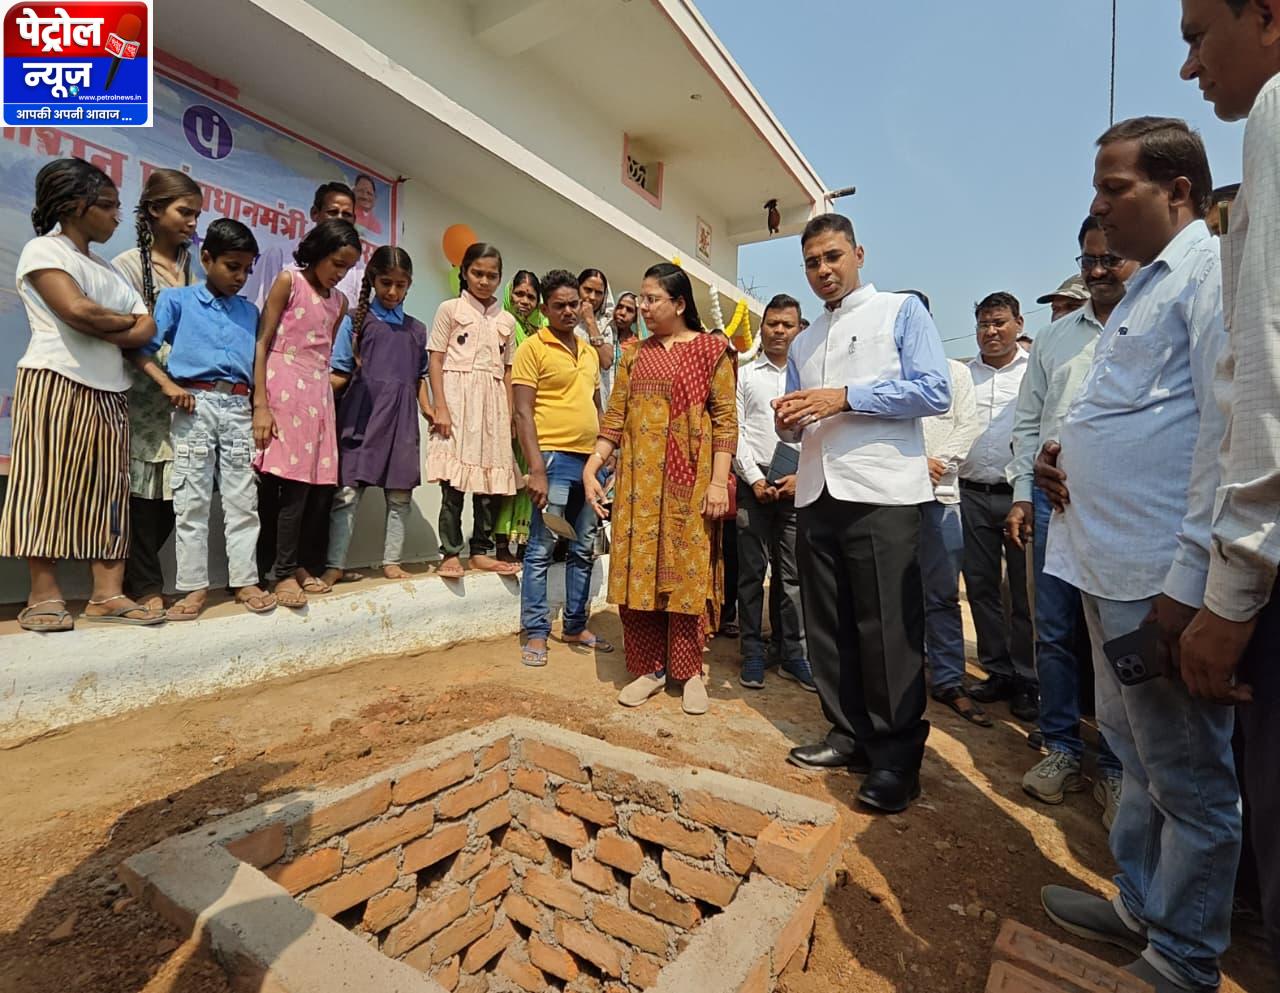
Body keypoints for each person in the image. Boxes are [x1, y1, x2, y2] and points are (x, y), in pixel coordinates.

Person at [1036, 117, 1235, 993]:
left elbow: (1227, 436)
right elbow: (1123, 414)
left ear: (1178, 191)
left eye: (1115, 188)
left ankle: (1185, 958)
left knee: (1188, 776)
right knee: (1129, 747)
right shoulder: (1144, 288)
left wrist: (1190, 582)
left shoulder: (1210, 276)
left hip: (1157, 578)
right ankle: (1139, 903)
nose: (1100, 207)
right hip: (1100, 562)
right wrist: (1060, 456)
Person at [774, 213, 950, 813]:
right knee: (829, 624)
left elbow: (934, 390)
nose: (823, 270)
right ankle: (847, 733)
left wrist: (846, 396)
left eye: (832, 257)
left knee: (887, 629)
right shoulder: (804, 341)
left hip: (881, 493)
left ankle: (897, 758)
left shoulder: (901, 312)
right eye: (812, 263)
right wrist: (789, 422)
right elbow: (802, 423)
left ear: (859, 254)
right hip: (817, 490)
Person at [1178, 0, 1280, 965]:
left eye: (1198, 34)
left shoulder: (1278, 109)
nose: (1190, 66)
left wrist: (1234, 584)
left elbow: (1267, 370)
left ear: (1269, 17)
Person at [1006, 218, 1136, 822]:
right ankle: (1061, 745)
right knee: (1054, 631)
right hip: (1052, 503)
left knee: (1118, 641)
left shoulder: (1153, 321)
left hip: (1125, 508)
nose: (1099, 271)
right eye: (1089, 261)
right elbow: (1028, 422)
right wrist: (1022, 494)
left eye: (1111, 259)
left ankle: (1116, 765)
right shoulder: (1057, 339)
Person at [1, 158, 165, 630]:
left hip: (111, 391)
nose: (116, 216)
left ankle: (107, 595)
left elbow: (146, 328)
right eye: (108, 205)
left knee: (109, 491)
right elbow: (76, 311)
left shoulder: (108, 271)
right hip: (55, 379)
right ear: (75, 205)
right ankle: (42, 596)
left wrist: (107, 321)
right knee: (46, 483)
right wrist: (118, 323)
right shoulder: (43, 250)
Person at [582, 262, 736, 717]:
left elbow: (726, 422)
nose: (643, 307)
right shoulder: (633, 354)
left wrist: (717, 483)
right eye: (642, 299)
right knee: (638, 574)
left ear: (680, 303)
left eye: (652, 299)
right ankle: (649, 668)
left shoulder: (712, 351)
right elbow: (615, 417)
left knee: (687, 577)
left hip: (691, 487)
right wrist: (594, 465)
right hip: (637, 487)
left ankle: (689, 673)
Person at [130, 219, 275, 619]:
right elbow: (141, 350)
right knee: (191, 498)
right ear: (207, 258)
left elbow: (259, 361)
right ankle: (193, 588)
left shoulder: (250, 312)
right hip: (194, 405)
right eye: (232, 266)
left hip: (238, 407)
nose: (240, 277)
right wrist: (167, 385)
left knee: (243, 498)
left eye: (247, 269)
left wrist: (260, 405)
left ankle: (245, 580)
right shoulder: (177, 301)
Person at [252, 219, 361, 608]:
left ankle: (292, 566)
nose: (340, 273)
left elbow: (324, 352)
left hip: (316, 397)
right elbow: (263, 341)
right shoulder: (289, 281)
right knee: (277, 488)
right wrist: (261, 403)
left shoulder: (339, 303)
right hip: (281, 389)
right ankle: (271, 572)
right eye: (336, 263)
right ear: (317, 252)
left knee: (312, 490)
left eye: (347, 267)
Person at [112, 168, 204, 612]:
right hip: (143, 392)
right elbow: (127, 338)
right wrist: (163, 380)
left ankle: (143, 580)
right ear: (153, 209)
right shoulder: (127, 266)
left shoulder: (195, 267)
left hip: (187, 396)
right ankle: (146, 585)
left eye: (197, 214)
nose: (192, 222)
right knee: (142, 495)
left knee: (177, 493)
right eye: (185, 212)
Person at [513, 269, 612, 667]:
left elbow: (596, 405)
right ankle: (537, 632)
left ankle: (574, 625)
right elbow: (522, 412)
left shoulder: (588, 352)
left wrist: (606, 453)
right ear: (544, 308)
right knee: (541, 547)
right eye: (560, 306)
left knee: (583, 547)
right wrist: (536, 468)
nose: (568, 311)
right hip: (552, 460)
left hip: (590, 464)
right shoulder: (532, 348)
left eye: (574, 304)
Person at [323, 246, 427, 585]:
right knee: (347, 494)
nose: (393, 292)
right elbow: (339, 372)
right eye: (386, 283)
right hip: (361, 416)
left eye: (401, 285)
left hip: (401, 421)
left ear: (409, 285)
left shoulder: (417, 330)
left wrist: (431, 410)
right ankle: (335, 564)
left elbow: (420, 378)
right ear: (372, 280)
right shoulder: (355, 323)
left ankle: (391, 560)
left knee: (400, 496)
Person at [961, 292, 1035, 721]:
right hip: (971, 493)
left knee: (1024, 593)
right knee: (981, 587)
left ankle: (1028, 677)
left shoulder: (1032, 371)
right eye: (984, 324)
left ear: (1018, 324)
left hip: (1018, 497)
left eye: (999, 323)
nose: (991, 331)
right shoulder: (963, 375)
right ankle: (998, 671)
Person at [425, 242, 520, 579]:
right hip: (456, 399)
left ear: (499, 278)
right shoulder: (449, 309)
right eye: (477, 273)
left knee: (489, 484)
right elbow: (436, 359)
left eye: (491, 275)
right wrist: (440, 406)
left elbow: (508, 371)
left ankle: (480, 551)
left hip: (492, 403)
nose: (483, 281)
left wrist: (509, 415)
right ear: (464, 272)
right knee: (453, 483)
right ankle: (450, 552)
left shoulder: (506, 320)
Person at [733, 293, 813, 692]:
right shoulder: (745, 375)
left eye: (787, 325)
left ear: (799, 329)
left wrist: (801, 476)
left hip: (799, 484)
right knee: (751, 573)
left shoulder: (811, 377)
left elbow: (819, 433)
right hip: (754, 484)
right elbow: (735, 432)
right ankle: (752, 651)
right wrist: (754, 479)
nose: (779, 331)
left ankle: (792, 653)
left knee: (792, 575)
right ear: (761, 328)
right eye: (772, 324)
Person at [920, 343, 984, 724]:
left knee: (942, 593)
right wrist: (914, 464)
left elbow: (968, 426)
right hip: (893, 497)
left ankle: (947, 679)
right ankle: (904, 672)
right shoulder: (886, 372)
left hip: (941, 495)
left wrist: (937, 463)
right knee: (892, 592)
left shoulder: (955, 373)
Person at [493, 271, 546, 562]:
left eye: (530, 296)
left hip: (533, 415)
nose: (524, 301)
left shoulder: (542, 330)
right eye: (519, 294)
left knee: (530, 477)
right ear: (509, 294)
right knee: (506, 478)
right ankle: (501, 543)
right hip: (506, 411)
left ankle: (524, 543)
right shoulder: (501, 324)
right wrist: (510, 412)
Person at [246, 182, 364, 311]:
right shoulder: (279, 254)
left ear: (354, 220)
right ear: (314, 213)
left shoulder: (357, 269)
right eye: (333, 212)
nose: (339, 219)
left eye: (346, 215)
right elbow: (257, 308)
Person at [576, 268, 615, 395]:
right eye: (587, 290)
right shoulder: (565, 319)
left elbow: (606, 362)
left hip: (594, 396)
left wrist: (591, 322)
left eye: (598, 293)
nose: (592, 297)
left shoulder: (605, 326)